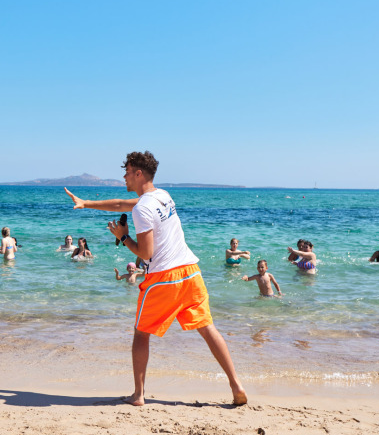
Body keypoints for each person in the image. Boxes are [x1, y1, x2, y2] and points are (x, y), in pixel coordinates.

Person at [64, 150, 247, 406]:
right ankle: (236, 385)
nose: (124, 176)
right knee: (207, 328)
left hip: (164, 278)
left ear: (138, 173)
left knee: (141, 333)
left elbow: (145, 253)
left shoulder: (142, 209)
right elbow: (121, 204)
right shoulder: (163, 196)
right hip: (191, 272)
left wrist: (122, 236)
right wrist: (86, 203)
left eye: (127, 172)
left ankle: (138, 395)